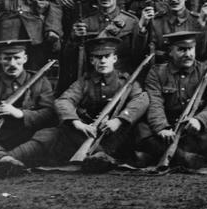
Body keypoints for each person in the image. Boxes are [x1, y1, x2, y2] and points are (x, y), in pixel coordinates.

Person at [44, 36, 149, 171]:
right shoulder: (84, 82)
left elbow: (141, 99)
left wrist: (119, 120)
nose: (103, 61)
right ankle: (100, 157)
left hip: (117, 132)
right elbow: (63, 101)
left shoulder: (126, 81)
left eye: (107, 56)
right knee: (66, 129)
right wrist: (77, 123)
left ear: (114, 59)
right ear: (92, 60)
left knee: (139, 129)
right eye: (98, 57)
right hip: (90, 131)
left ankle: (102, 156)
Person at [137, 31, 207, 169]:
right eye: (181, 50)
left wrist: (200, 120)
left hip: (194, 127)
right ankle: (184, 158)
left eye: (191, 49)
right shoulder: (157, 72)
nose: (188, 54)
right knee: (142, 129)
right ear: (170, 52)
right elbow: (155, 103)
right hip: (169, 129)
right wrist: (161, 127)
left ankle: (161, 156)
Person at [0, 39, 56, 177]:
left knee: (53, 133)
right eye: (7, 58)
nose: (12, 63)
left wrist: (20, 113)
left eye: (17, 58)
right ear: (0, 59)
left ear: (25, 58)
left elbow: (49, 113)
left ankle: (4, 159)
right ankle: (5, 159)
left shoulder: (40, 81)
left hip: (29, 136)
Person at [67, 0, 142, 77]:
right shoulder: (85, 22)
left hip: (122, 79)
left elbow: (137, 57)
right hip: (92, 80)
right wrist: (74, 39)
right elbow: (70, 58)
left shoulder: (131, 21)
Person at [137, 0, 207, 63]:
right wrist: (142, 27)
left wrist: (202, 27)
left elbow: (201, 54)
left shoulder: (197, 20)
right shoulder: (156, 22)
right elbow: (140, 54)